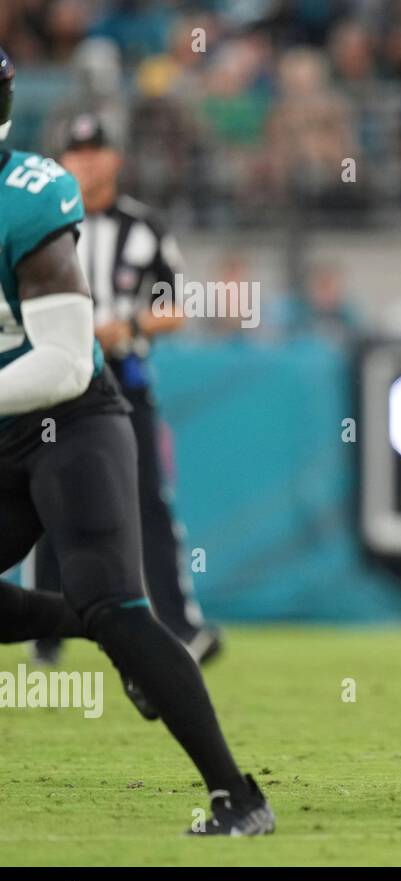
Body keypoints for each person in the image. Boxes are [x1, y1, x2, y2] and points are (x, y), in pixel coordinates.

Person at [0, 49, 272, 835]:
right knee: (95, 607)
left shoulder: (29, 197)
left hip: (74, 416)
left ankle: (238, 797)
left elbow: (56, 361)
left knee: (119, 598)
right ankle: (82, 623)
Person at [29, 112, 222, 667]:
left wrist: (128, 327)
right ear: (63, 162)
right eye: (77, 152)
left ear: (114, 158)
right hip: (57, 379)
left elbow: (179, 307)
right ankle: (46, 631)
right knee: (46, 498)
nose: (87, 162)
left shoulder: (144, 227)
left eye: (96, 151)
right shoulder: (44, 223)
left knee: (147, 502)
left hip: (123, 379)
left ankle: (182, 628)